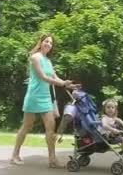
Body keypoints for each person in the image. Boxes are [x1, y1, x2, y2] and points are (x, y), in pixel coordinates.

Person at [10, 34, 78, 167]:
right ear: (40, 42)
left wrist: (67, 84)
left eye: (51, 43)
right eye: (46, 41)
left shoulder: (48, 60)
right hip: (34, 97)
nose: (48, 44)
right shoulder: (35, 58)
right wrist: (62, 84)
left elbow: (54, 77)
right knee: (27, 126)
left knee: (50, 127)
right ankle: (15, 155)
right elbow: (43, 77)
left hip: (46, 98)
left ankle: (52, 159)